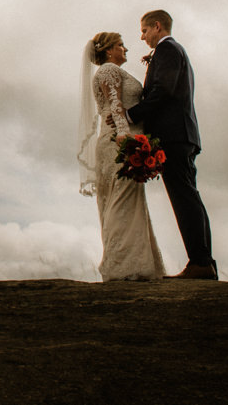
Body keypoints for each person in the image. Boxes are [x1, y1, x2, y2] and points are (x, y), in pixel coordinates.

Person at [126, 10, 217, 280]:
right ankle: (203, 262)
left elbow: (162, 90)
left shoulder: (168, 50)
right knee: (190, 197)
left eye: (144, 31)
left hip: (174, 136)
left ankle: (200, 263)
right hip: (182, 135)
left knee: (184, 198)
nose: (141, 37)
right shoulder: (174, 51)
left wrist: (132, 115)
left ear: (157, 27)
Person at [78, 31, 166, 281]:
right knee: (122, 198)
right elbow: (115, 103)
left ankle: (133, 264)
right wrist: (125, 136)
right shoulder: (108, 70)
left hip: (120, 138)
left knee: (124, 198)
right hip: (119, 141)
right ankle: (121, 266)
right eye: (121, 45)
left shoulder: (112, 70)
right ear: (108, 51)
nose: (125, 49)